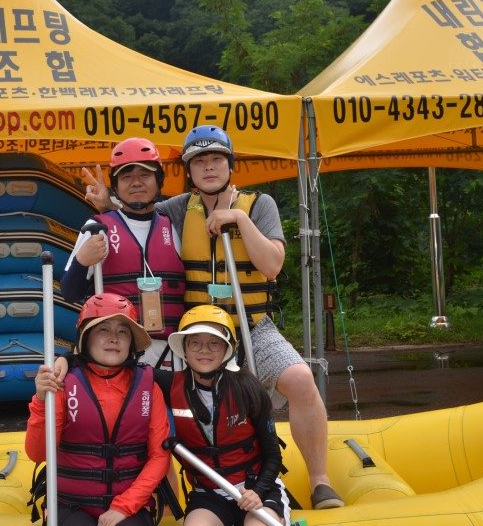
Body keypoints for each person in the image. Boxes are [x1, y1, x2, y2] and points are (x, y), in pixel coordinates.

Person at [82, 125, 343, 510]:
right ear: (188, 171)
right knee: (173, 406)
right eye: (199, 161)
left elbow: (272, 266)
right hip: (198, 336)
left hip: (251, 326)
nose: (208, 167)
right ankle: (194, 488)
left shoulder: (260, 205)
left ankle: (320, 481)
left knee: (301, 379)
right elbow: (138, 214)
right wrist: (109, 204)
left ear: (230, 164)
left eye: (216, 159)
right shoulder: (176, 209)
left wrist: (238, 218)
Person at [26, 293, 171, 526]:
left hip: (131, 505)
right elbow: (38, 453)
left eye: (123, 331)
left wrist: (125, 506)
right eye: (103, 330)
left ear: (131, 342)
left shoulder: (149, 387)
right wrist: (42, 401)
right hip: (70, 504)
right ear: (86, 338)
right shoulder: (61, 383)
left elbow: (159, 456)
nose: (114, 338)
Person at [160, 305, 290, 526]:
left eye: (214, 343)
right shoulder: (169, 384)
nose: (204, 350)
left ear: (226, 349)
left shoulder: (248, 387)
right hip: (209, 495)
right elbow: (124, 371)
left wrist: (258, 491)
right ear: (184, 348)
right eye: (195, 342)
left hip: (258, 489)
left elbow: (273, 456)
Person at [62, 137, 186, 368]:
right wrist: (81, 261)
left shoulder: (175, 226)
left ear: (159, 180)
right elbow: (69, 292)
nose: (136, 182)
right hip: (118, 355)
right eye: (127, 177)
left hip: (173, 355)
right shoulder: (97, 228)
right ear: (116, 186)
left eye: (145, 175)